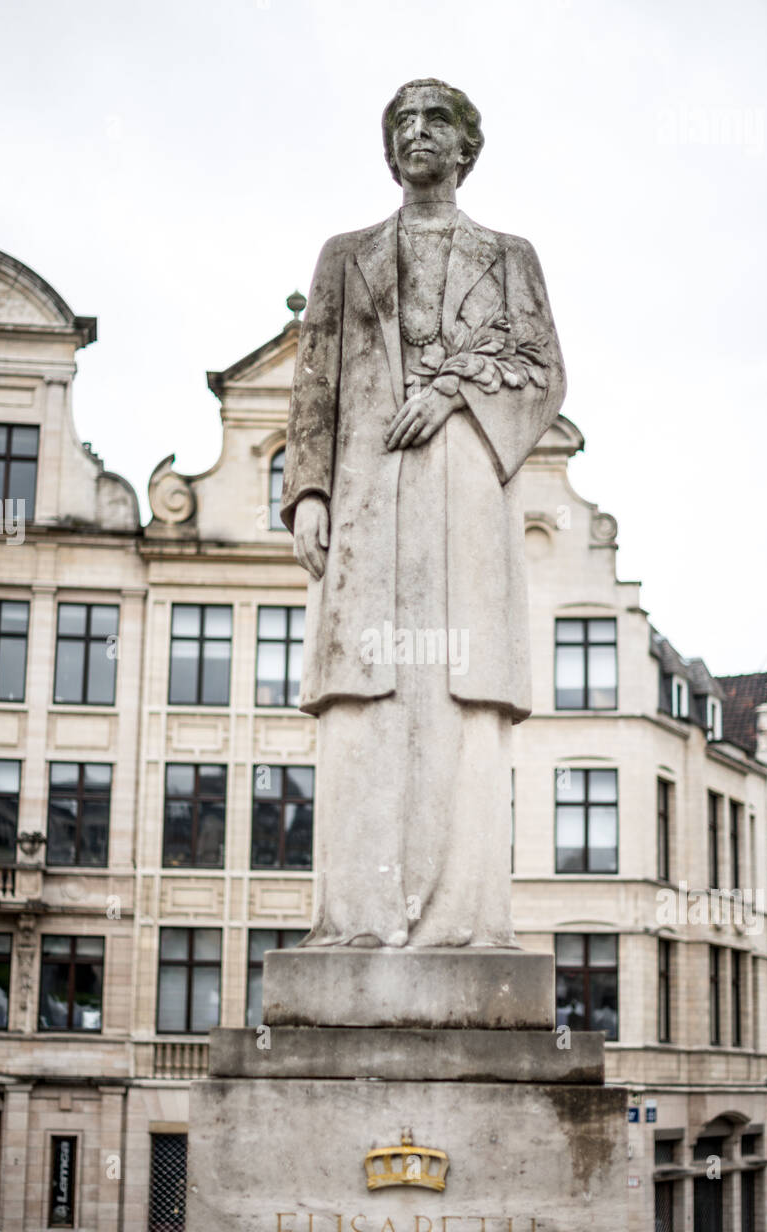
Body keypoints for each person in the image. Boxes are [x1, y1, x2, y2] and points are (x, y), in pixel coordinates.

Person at [281, 78, 565, 947]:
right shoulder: (344, 254)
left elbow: (542, 370)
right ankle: (355, 922)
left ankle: (464, 924)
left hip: (463, 498)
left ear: (465, 145)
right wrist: (308, 492)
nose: (417, 132)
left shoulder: (509, 255)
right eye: (402, 121)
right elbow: (315, 378)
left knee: (461, 697)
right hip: (367, 501)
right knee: (363, 702)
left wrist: (452, 392)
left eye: (434, 119)